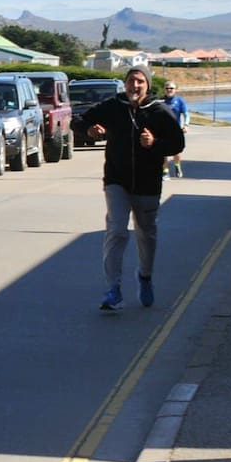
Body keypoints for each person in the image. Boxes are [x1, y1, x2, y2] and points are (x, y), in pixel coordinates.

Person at [77, 65, 185, 313]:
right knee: (117, 230)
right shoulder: (113, 107)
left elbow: (178, 143)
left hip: (148, 184)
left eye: (139, 82)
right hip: (116, 181)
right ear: (124, 84)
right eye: (130, 81)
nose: (134, 86)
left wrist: (154, 143)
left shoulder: (160, 112)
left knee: (146, 234)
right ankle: (113, 289)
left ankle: (145, 276)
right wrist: (89, 129)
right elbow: (79, 120)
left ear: (147, 86)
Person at [161, 81, 189, 179]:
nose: (169, 90)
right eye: (167, 88)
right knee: (163, 152)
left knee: (176, 152)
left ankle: (177, 166)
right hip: (162, 130)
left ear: (175, 90)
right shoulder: (160, 101)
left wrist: (186, 125)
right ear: (164, 89)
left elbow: (186, 114)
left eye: (171, 88)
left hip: (175, 130)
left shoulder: (179, 101)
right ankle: (165, 171)